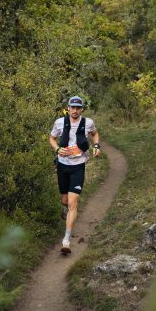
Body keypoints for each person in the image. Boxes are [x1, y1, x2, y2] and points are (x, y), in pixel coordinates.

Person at [49, 95, 101, 254]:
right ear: (68, 108)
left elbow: (95, 134)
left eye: (78, 108)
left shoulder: (88, 123)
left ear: (82, 109)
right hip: (63, 166)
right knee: (65, 200)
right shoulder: (59, 122)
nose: (75, 110)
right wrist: (57, 149)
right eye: (73, 107)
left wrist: (96, 146)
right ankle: (66, 209)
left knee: (73, 202)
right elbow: (52, 138)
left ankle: (66, 240)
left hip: (78, 166)